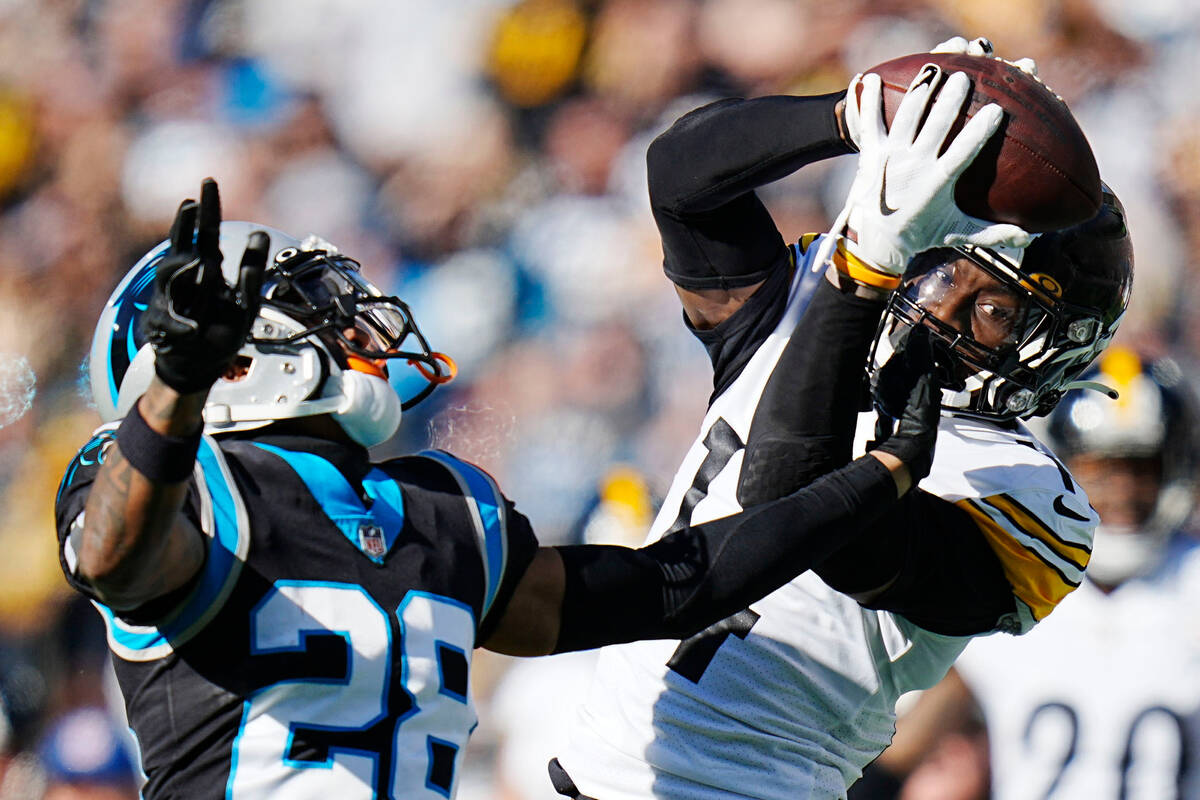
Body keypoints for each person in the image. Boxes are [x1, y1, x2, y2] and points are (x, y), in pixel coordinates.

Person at [53, 177, 940, 799]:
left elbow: (673, 586)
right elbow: (116, 555)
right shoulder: (178, 487)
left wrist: (872, 483)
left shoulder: (435, 509)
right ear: (232, 359)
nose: (355, 320)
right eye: (315, 306)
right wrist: (174, 387)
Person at [550, 38, 1134, 799]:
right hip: (595, 772)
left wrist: (867, 266)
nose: (939, 312)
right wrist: (860, 115)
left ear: (1053, 344)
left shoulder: (1021, 491)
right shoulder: (817, 305)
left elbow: (787, 496)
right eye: (935, 270)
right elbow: (681, 178)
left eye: (992, 307)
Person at [856, 346, 1200, 800]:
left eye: (1139, 467)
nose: (1122, 490)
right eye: (1100, 468)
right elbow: (898, 755)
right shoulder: (1018, 581)